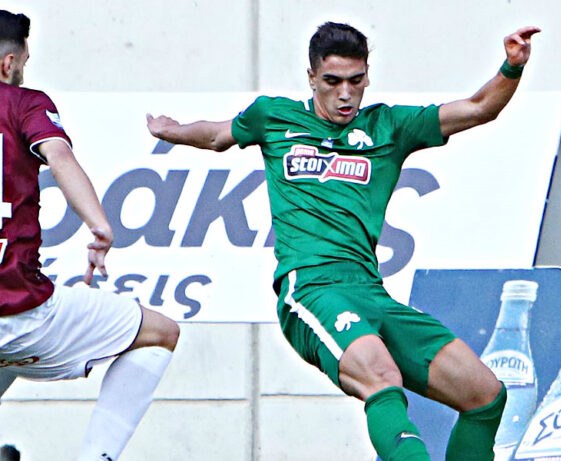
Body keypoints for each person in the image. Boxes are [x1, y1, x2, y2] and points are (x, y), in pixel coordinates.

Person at [147, 21, 540, 460]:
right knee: (382, 378)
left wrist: (512, 66)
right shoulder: (274, 116)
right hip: (311, 289)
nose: (346, 94)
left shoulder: (390, 126)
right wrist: (172, 130)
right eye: (333, 82)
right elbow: (216, 135)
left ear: (367, 76)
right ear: (312, 77)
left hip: (371, 292)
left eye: (356, 81)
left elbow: (479, 107)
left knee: (485, 395)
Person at [0, 7, 180, 461]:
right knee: (160, 333)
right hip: (18, 312)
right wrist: (99, 224)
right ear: (9, 62)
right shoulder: (22, 102)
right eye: (24, 62)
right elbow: (59, 156)